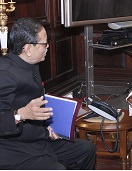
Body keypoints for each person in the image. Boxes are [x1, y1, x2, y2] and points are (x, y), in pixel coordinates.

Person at [0, 18, 96, 170]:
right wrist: (20, 114)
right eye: (44, 44)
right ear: (28, 48)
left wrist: (47, 128)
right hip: (15, 150)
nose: (48, 47)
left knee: (86, 150)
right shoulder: (4, 74)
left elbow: (35, 108)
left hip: (38, 141)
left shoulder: (31, 65)